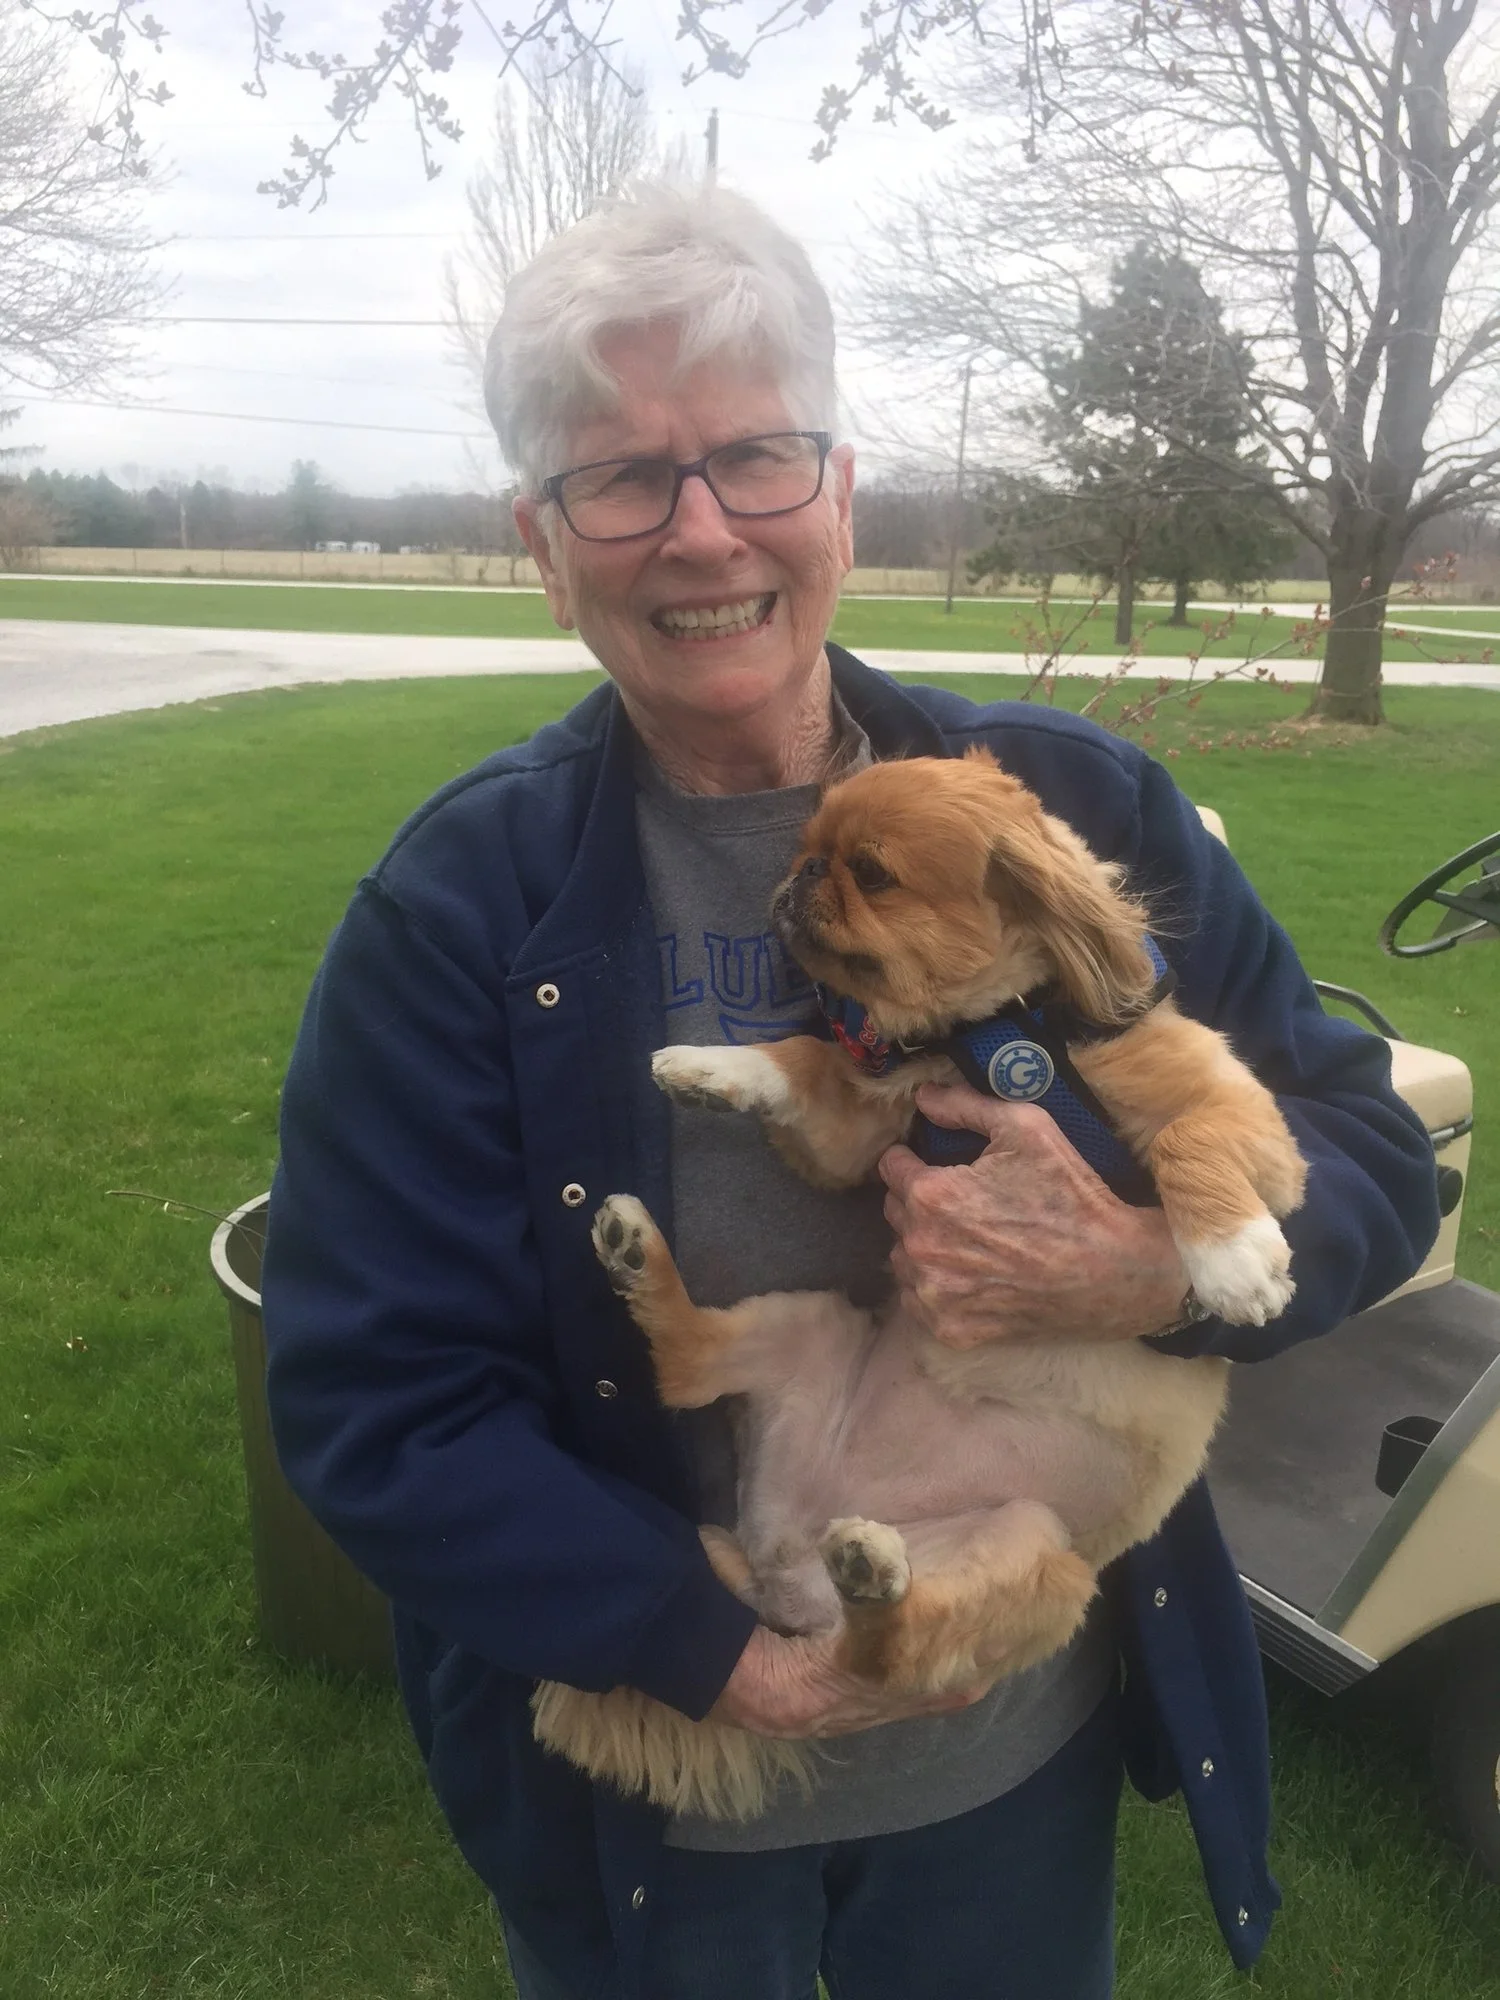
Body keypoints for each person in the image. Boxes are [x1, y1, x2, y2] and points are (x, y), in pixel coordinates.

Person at [261, 182, 1439, 2000]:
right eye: (622, 479)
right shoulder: (458, 912)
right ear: (541, 540)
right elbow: (372, 1400)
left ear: (843, 490)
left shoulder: (1071, 816)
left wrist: (1146, 1266)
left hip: (1012, 1763)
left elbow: (1366, 1143)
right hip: (669, 1814)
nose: (701, 529)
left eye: (756, 455)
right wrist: (733, 1659)